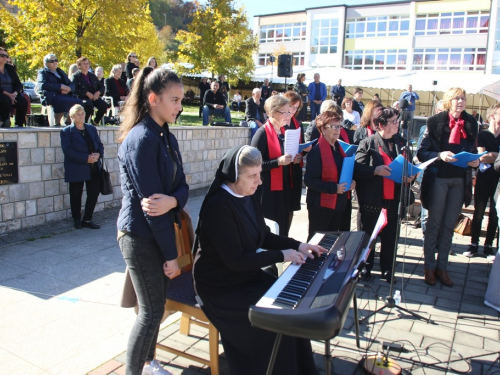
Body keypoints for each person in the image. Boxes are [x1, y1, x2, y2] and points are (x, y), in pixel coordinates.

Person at [192, 144, 323, 375]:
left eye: (259, 174)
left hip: (244, 276)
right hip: (220, 287)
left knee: (292, 308)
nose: (259, 181)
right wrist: (282, 256)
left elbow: (264, 237)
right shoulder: (218, 207)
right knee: (273, 322)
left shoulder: (247, 194)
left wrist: (298, 245)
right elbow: (237, 261)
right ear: (233, 176)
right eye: (252, 176)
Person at [117, 68, 188, 375]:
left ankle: (148, 362)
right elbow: (151, 210)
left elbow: (182, 187)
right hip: (140, 236)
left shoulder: (164, 135)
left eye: (182, 100)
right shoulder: (142, 140)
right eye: (174, 99)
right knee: (150, 312)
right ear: (153, 98)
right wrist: (172, 256)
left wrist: (174, 199)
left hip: (155, 233)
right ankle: (135, 370)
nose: (180, 106)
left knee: (155, 309)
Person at [417, 87, 479, 288]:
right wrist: (439, 155)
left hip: (459, 180)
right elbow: (421, 151)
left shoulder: (471, 123)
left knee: (448, 225)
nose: (460, 101)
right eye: (456, 98)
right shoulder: (435, 122)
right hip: (438, 179)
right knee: (433, 224)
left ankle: (442, 268)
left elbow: (473, 150)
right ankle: (428, 267)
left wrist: (475, 162)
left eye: (463, 98)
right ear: (448, 101)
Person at [355, 107, 413, 283]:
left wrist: (411, 176)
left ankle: (387, 269)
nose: (397, 124)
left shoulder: (401, 143)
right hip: (372, 200)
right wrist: (375, 170)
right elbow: (357, 169)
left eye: (397, 121)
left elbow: (410, 164)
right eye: (393, 121)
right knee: (369, 237)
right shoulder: (368, 143)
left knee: (391, 237)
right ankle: (366, 267)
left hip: (393, 199)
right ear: (380, 125)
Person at [305, 111, 356, 241]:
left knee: (331, 241)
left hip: (338, 203)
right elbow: (309, 181)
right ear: (322, 129)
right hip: (320, 206)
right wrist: (334, 188)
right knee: (317, 242)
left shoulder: (339, 148)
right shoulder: (316, 152)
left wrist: (351, 182)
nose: (337, 130)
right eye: (333, 127)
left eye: (339, 126)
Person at [251, 95, 297, 236]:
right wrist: (277, 162)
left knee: (283, 225)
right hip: (267, 190)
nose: (287, 115)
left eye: (288, 112)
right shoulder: (261, 134)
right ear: (271, 113)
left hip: (283, 188)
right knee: (270, 226)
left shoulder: (284, 133)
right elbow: (253, 165)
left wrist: (294, 158)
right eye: (283, 112)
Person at [464, 103, 500, 259]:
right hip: (483, 178)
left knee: (494, 214)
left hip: (498, 180)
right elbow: (481, 156)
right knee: (478, 212)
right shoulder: (483, 135)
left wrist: (490, 154)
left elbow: (487, 156)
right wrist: (497, 155)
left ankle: (488, 246)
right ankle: (474, 244)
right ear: (492, 116)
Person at [60, 104, 103, 230]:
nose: (82, 116)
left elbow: (100, 145)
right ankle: (77, 219)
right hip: (77, 167)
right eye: (79, 114)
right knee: (76, 194)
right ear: (72, 117)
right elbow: (68, 151)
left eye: (83, 113)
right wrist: (86, 158)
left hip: (93, 167)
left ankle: (88, 219)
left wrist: (98, 154)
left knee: (94, 193)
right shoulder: (67, 131)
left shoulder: (91, 129)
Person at [415, 100, 444, 245]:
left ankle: (438, 241)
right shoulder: (426, 128)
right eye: (441, 111)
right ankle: (428, 240)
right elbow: (420, 152)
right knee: (426, 212)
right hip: (427, 174)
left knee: (440, 213)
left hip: (443, 176)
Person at [283, 91, 311, 225]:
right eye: (291, 106)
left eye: (296, 108)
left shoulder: (297, 124)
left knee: (290, 208)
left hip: (294, 170)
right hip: (281, 170)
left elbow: (300, 146)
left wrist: (303, 152)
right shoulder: (278, 124)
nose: (293, 110)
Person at [37, 53, 83, 126]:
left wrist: (68, 89)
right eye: (52, 61)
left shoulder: (60, 71)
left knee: (78, 101)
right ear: (46, 63)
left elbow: (71, 83)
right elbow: (42, 85)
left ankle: (69, 121)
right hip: (52, 95)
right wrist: (60, 87)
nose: (55, 62)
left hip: (65, 94)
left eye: (56, 60)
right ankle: (57, 122)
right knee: (61, 101)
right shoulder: (43, 72)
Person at [71, 56, 109, 125]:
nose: (86, 65)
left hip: (94, 97)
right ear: (79, 66)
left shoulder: (92, 76)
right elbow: (74, 89)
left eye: (87, 63)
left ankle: (95, 122)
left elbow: (101, 86)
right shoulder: (75, 76)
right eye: (84, 64)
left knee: (104, 105)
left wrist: (98, 92)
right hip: (82, 98)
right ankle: (84, 123)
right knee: (88, 105)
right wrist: (86, 93)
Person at [0, 47, 27, 127]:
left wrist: (14, 94)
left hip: (12, 94)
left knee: (23, 101)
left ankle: (19, 124)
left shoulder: (10, 68)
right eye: (2, 55)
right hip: (2, 93)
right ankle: (3, 121)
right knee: (5, 100)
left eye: (6, 56)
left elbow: (18, 84)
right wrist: (8, 95)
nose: (5, 58)